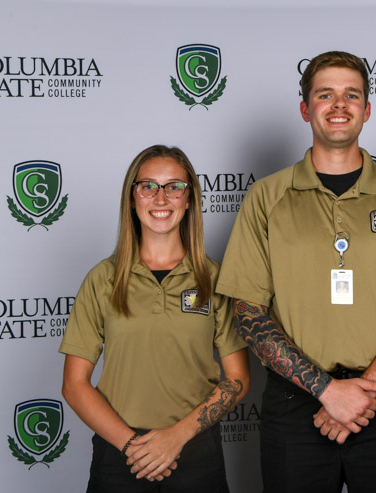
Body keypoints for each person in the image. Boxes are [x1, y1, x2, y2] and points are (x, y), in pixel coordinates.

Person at [216, 51, 376, 492]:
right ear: (306, 109)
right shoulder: (266, 197)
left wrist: (361, 393)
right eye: (325, 94)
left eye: (352, 95)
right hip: (296, 404)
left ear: (367, 109)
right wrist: (328, 391)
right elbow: (248, 312)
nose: (339, 105)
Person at [60, 145, 250, 492]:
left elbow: (237, 379)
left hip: (195, 453)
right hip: (120, 455)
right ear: (132, 199)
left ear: (189, 199)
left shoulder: (214, 279)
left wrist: (176, 437)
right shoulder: (103, 279)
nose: (161, 198)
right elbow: (74, 385)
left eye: (174, 186)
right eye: (148, 186)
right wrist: (133, 446)